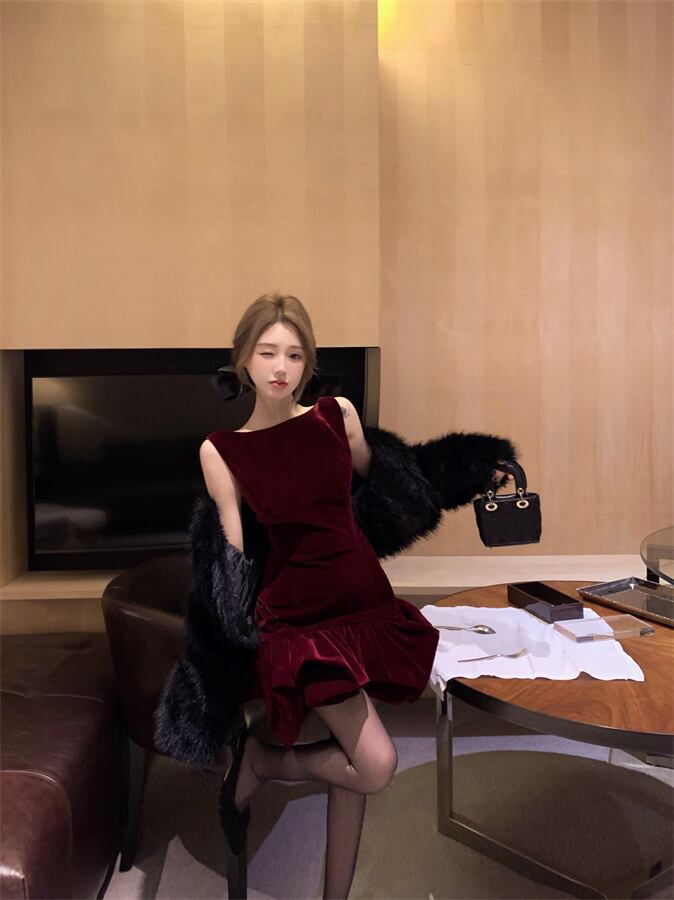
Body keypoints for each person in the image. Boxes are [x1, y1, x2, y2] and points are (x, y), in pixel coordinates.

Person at [198, 292, 514, 899]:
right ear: (242, 359)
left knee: (354, 757)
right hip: (301, 622)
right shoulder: (222, 450)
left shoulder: (334, 415)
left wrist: (474, 471)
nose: (281, 368)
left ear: (309, 362)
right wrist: (232, 637)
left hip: (364, 605)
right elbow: (231, 552)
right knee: (376, 762)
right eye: (267, 352)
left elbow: (398, 481)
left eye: (295, 355)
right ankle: (260, 761)